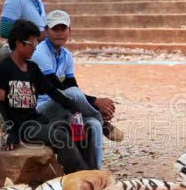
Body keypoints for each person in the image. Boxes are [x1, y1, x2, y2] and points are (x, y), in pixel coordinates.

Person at [0, 19, 91, 173]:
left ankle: (85, 170)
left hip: (37, 120)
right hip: (22, 127)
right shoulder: (2, 69)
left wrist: (72, 106)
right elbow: (0, 105)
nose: (35, 48)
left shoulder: (32, 68)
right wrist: (10, 130)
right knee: (61, 138)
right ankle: (81, 176)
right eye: (32, 44)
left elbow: (51, 91)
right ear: (19, 43)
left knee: (75, 129)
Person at [32, 10, 123, 169]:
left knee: (93, 124)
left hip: (65, 107)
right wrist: (95, 102)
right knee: (74, 94)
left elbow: (72, 85)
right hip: (43, 110)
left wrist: (90, 105)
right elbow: (57, 88)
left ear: (69, 30)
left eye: (63, 29)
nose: (59, 34)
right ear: (46, 31)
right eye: (55, 29)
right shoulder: (41, 53)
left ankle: (95, 173)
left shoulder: (66, 55)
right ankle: (103, 123)